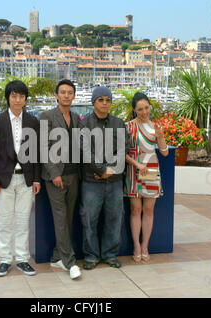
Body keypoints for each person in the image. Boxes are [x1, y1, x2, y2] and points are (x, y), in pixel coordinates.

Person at [0, 80, 41, 277]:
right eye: (14, 96)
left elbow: (36, 154)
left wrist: (36, 179)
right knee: (4, 221)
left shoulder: (33, 122)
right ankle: (4, 259)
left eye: (21, 96)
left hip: (26, 180)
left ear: (25, 99)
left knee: (22, 221)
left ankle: (22, 259)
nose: (18, 100)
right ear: (8, 98)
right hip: (4, 180)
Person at [78, 86, 128, 270]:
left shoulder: (119, 123)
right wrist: (100, 169)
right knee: (89, 220)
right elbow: (84, 151)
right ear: (93, 102)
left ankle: (110, 254)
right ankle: (91, 256)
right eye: (101, 100)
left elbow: (123, 149)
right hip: (92, 182)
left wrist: (111, 169)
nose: (105, 103)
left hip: (114, 182)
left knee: (114, 220)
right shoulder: (84, 125)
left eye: (108, 100)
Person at [40, 79, 82, 280]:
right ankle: (70, 262)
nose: (66, 95)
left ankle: (57, 256)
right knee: (60, 218)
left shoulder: (76, 117)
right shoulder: (47, 116)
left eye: (70, 92)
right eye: (63, 92)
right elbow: (43, 148)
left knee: (68, 218)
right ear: (56, 95)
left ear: (74, 96)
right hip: (55, 177)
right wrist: (54, 173)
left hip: (74, 175)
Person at [125, 92, 169, 263]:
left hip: (151, 171)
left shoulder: (155, 127)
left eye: (146, 108)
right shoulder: (128, 127)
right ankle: (136, 245)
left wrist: (160, 137)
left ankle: (145, 246)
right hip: (135, 171)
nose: (144, 112)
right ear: (134, 110)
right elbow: (123, 153)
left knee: (149, 210)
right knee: (135, 210)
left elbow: (164, 152)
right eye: (140, 109)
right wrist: (137, 165)